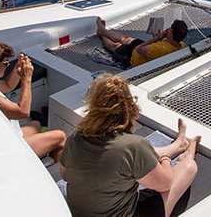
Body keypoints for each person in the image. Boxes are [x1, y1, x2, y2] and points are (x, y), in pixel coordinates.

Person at [60, 74, 200, 217]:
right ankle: (184, 155)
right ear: (128, 107)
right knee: (189, 167)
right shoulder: (133, 146)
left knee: (135, 156)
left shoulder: (75, 138)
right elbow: (165, 184)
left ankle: (178, 145)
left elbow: (64, 174)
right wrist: (165, 160)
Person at [0, 41, 66, 161]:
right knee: (60, 136)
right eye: (5, 63)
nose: (8, 65)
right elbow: (23, 112)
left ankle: (46, 153)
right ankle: (52, 165)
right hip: (8, 147)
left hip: (8, 135)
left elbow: (7, 85)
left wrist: (17, 68)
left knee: (36, 124)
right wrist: (26, 79)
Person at [98, 18, 189, 68]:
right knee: (125, 39)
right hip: (148, 50)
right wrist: (159, 37)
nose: (167, 29)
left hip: (134, 57)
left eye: (170, 29)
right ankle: (103, 30)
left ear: (171, 33)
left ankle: (101, 34)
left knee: (114, 46)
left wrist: (158, 37)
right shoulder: (181, 45)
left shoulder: (160, 50)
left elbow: (139, 49)